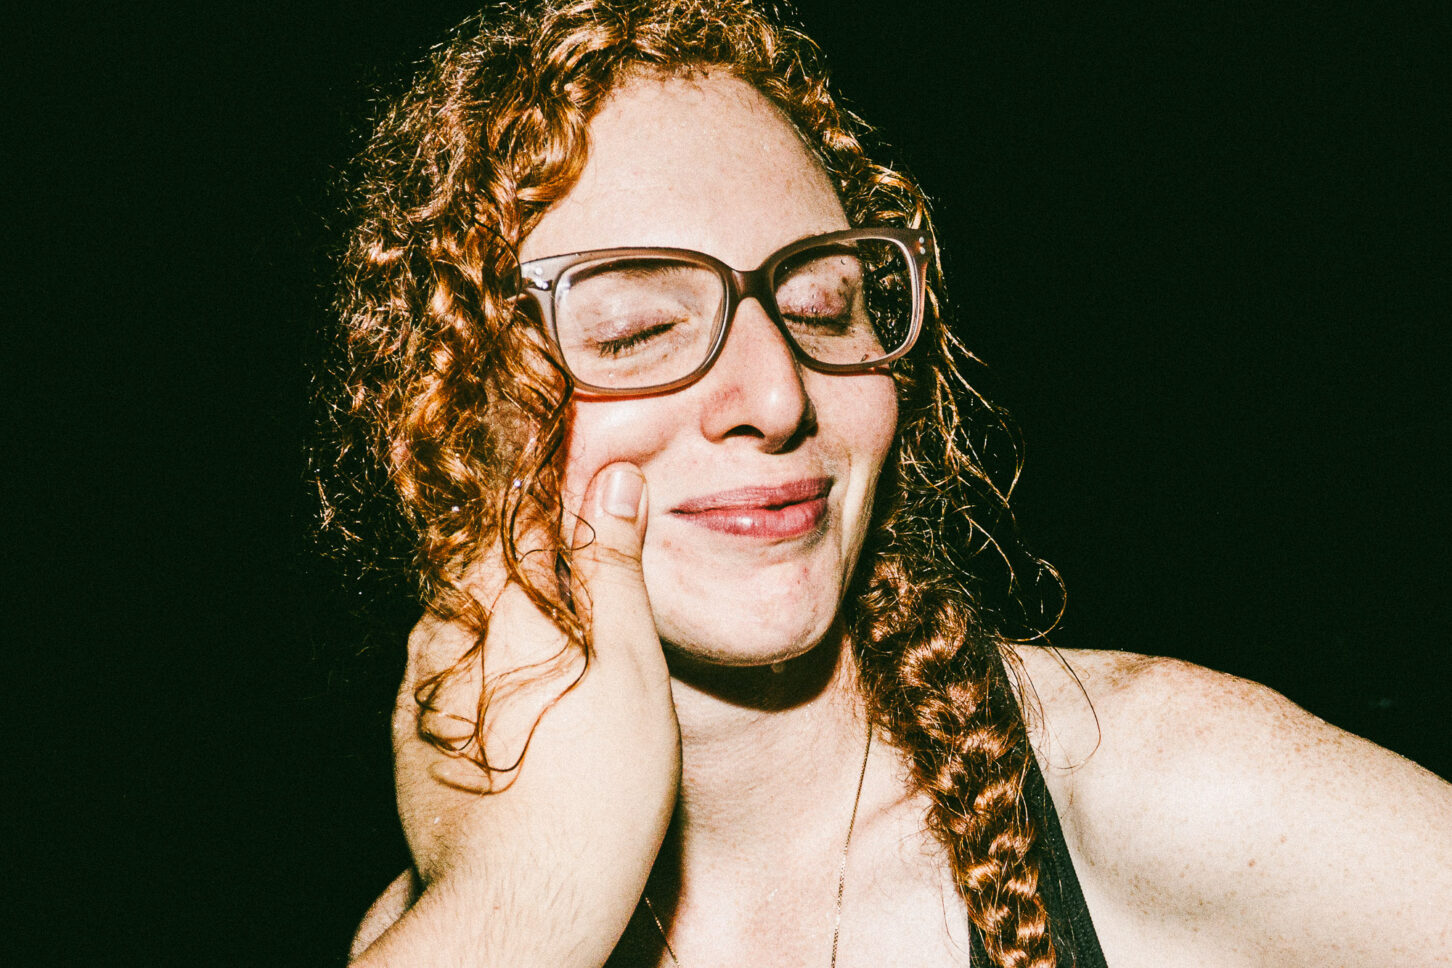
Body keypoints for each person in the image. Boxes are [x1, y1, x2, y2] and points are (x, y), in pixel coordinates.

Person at [315, 1, 1452, 965]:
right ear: (456, 407)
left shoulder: (1157, 786)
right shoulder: (456, 912)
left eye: (824, 309)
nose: (777, 392)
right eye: (639, 327)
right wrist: (524, 908)